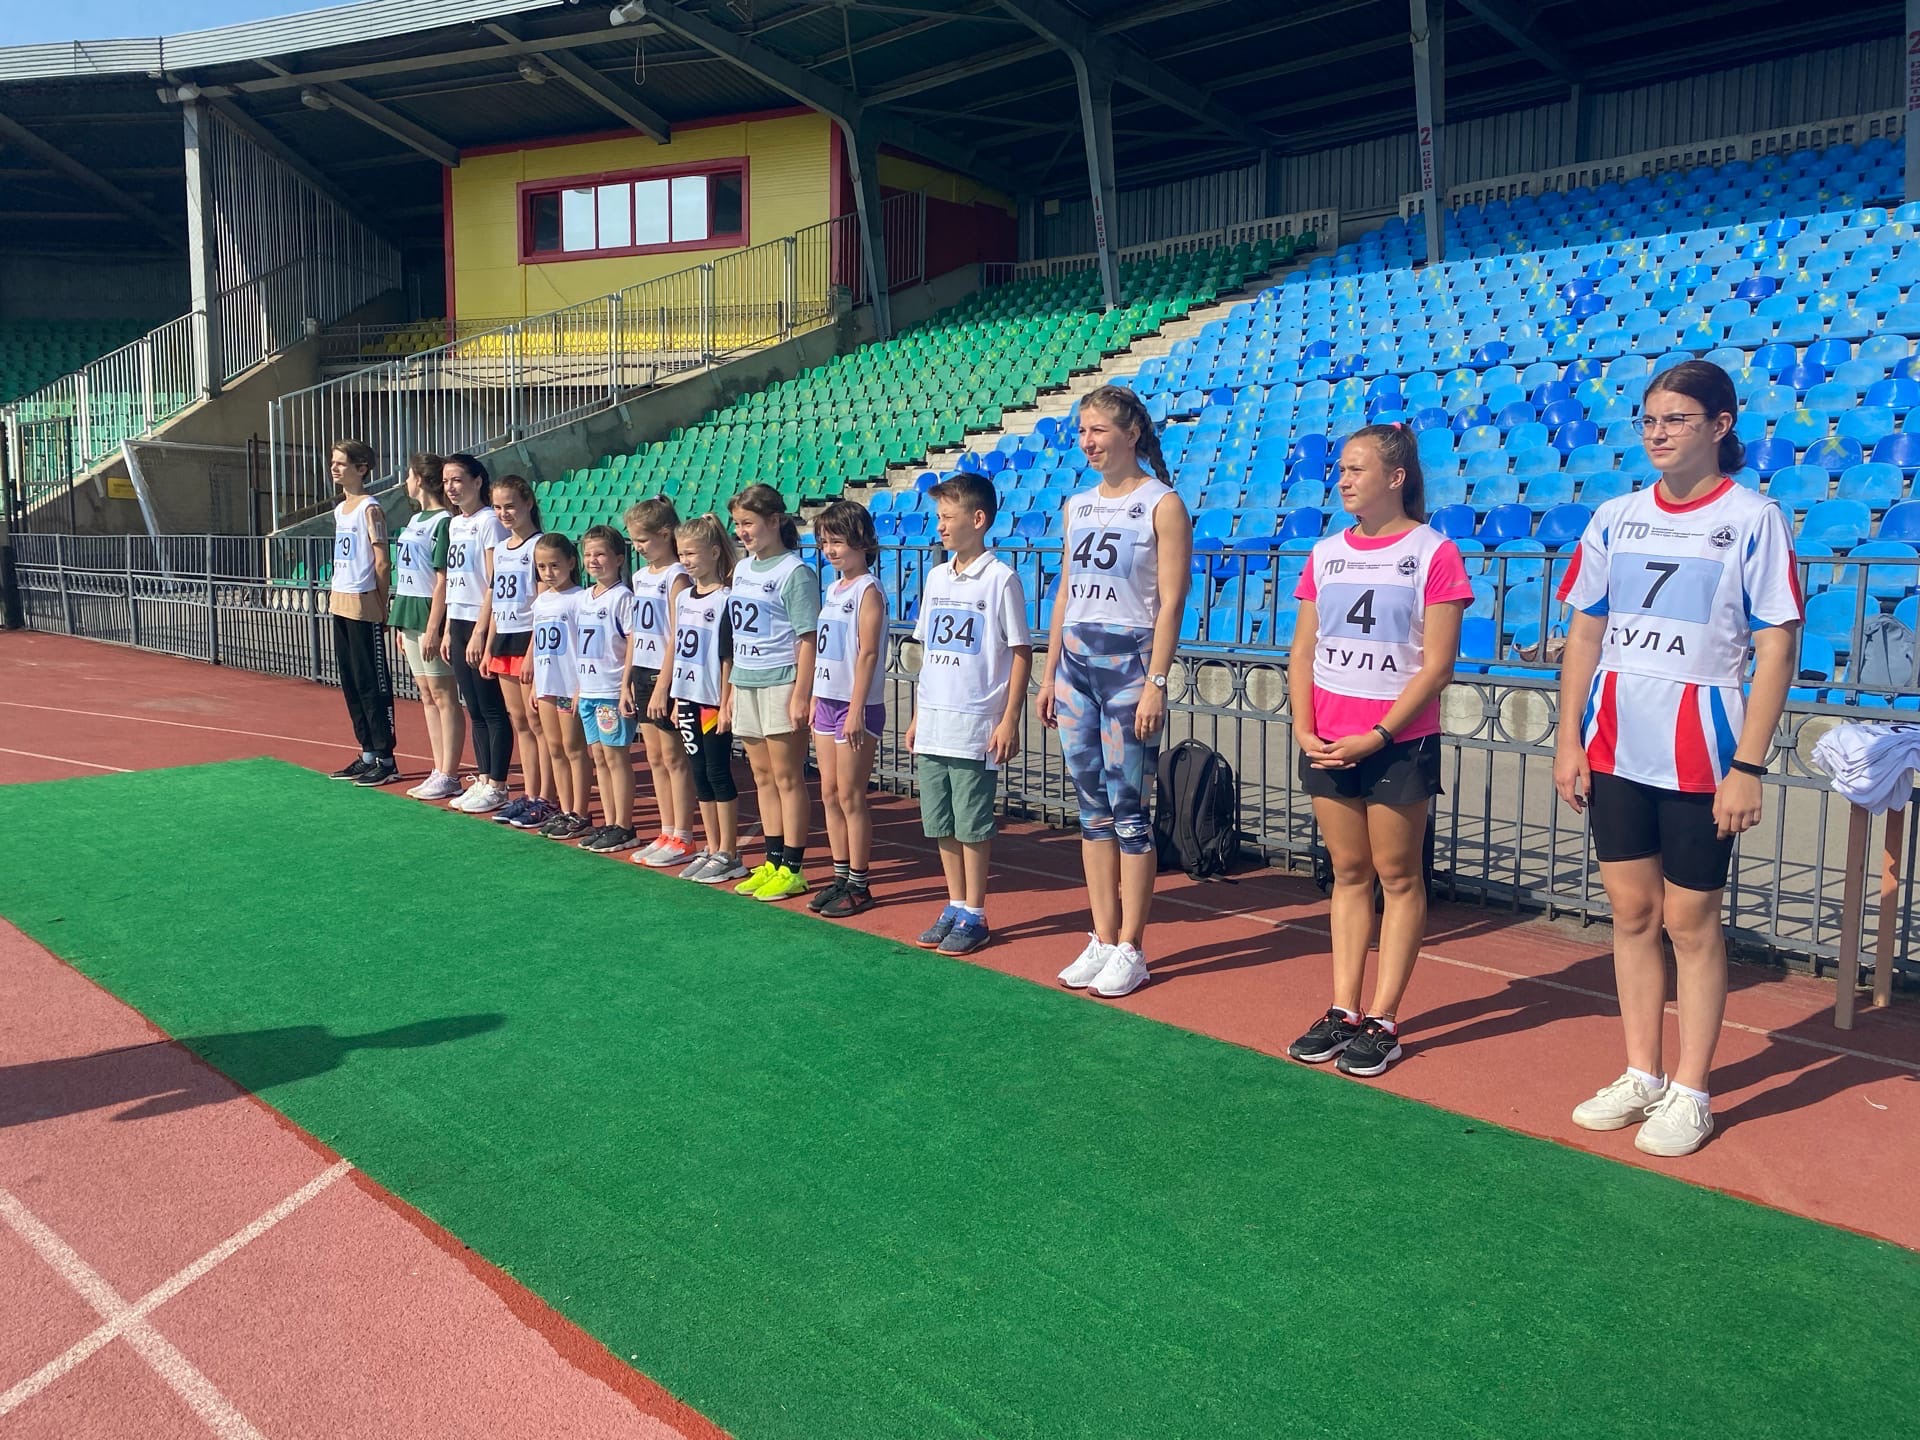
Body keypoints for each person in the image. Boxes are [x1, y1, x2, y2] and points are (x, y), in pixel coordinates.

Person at [1554, 359, 1802, 1157]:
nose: (1658, 434)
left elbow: (1777, 646)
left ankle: (1692, 1090)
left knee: (1691, 923)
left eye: (1677, 420)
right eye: (1650, 420)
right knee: (1631, 913)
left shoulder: (1755, 518)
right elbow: (1585, 633)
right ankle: (1642, 1072)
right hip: (1616, 745)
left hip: (1704, 752)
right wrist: (1568, 739)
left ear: (1721, 426)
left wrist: (1749, 765)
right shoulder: (1615, 516)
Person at [1285, 423, 1471, 1078]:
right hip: (1327, 738)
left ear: (1396, 478)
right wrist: (1304, 727)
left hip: (1397, 743)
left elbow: (1438, 665)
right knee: (1347, 872)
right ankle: (1344, 1008)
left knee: (1398, 875)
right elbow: (1303, 649)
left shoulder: (1433, 552)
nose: (1343, 479)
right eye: (1341, 469)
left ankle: (1385, 1019)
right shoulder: (1326, 552)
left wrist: (1381, 734)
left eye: (1356, 468)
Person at [1039, 385, 1192, 998]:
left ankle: (1132, 945)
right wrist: (1050, 671)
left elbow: (1172, 601)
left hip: (1130, 669)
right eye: (1082, 431)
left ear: (1131, 433)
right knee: (1091, 809)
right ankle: (1101, 937)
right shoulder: (1076, 505)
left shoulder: (1162, 504)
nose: (1088, 442)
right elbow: (1066, 591)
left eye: (1099, 429)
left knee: (1130, 809)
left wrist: (1157, 682)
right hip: (1075, 668)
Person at [907, 474, 1033, 956]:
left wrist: (1009, 718)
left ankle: (976, 913)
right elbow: (929, 652)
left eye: (947, 517)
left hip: (975, 724)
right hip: (934, 720)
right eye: (937, 517)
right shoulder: (937, 577)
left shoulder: (1001, 579)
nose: (939, 526)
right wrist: (918, 714)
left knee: (971, 823)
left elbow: (1020, 651)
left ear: (978, 520)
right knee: (940, 821)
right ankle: (955, 903)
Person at [726, 484, 820, 902]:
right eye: (737, 524)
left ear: (774, 521)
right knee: (762, 776)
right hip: (746, 680)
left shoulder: (794, 572)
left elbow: (808, 638)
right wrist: (732, 688)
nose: (742, 532)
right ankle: (772, 859)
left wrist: (801, 693)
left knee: (787, 777)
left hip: (780, 681)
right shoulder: (743, 569)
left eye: (748, 523)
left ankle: (793, 867)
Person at [807, 501, 889, 919]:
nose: (830, 550)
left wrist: (856, 709)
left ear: (861, 542)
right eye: (825, 542)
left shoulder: (867, 590)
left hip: (856, 705)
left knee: (851, 794)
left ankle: (859, 882)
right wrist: (815, 696)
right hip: (827, 701)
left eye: (837, 541)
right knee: (829, 792)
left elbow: (868, 653)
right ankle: (840, 876)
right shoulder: (833, 589)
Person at [669, 514, 747, 885]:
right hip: (687, 696)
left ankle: (729, 852)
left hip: (712, 700)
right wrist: (675, 697)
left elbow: (727, 656)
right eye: (682, 553)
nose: (686, 560)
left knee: (717, 771)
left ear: (714, 552)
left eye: (692, 553)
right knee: (698, 773)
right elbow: (679, 649)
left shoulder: (726, 598)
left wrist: (727, 700)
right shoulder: (683, 597)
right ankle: (712, 846)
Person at [623, 497, 700, 870]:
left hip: (663, 675)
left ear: (666, 533)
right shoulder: (640, 576)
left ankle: (684, 834)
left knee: (674, 757)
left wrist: (662, 685)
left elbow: (676, 634)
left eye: (643, 539)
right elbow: (637, 631)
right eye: (634, 540)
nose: (637, 547)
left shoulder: (676, 576)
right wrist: (627, 679)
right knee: (654, 756)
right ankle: (667, 830)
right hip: (642, 669)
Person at [441, 454, 512, 814]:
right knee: (474, 708)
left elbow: (493, 582)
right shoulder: (456, 524)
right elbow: (456, 581)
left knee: (491, 707)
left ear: (477, 481)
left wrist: (480, 631)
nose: (451, 488)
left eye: (457, 479)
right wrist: (448, 629)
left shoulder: (489, 522)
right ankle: (483, 777)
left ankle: (498, 783)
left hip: (479, 622)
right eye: (446, 481)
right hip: (458, 620)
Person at [391, 453, 464, 802]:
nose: (406, 482)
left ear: (419, 479)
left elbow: (442, 580)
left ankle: (450, 772)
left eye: (409, 475)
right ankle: (438, 768)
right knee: (426, 693)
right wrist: (399, 622)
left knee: (443, 694)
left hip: (428, 611)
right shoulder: (414, 518)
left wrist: (434, 627)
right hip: (409, 609)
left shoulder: (444, 522)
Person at [324, 440, 398, 787]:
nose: (335, 468)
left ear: (362, 468)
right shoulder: (341, 509)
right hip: (340, 597)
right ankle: (367, 751)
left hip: (362, 599)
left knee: (371, 682)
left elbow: (382, 561)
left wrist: (380, 605)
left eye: (342, 463)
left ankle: (386, 757)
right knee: (351, 680)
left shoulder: (370, 508)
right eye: (333, 462)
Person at [483, 475, 553, 830]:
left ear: (528, 502)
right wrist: (487, 646)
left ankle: (546, 798)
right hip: (504, 639)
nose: (503, 513)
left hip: (529, 638)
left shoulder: (539, 546)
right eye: (497, 507)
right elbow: (498, 602)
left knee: (538, 723)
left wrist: (533, 652)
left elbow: (544, 603)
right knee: (520, 722)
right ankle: (529, 793)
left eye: (510, 505)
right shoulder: (501, 549)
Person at [575, 525, 640, 853]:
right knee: (599, 757)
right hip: (589, 690)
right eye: (588, 554)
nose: (593, 560)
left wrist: (625, 684)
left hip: (610, 690)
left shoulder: (622, 597)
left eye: (600, 554)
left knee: (616, 758)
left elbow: (632, 642)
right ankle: (610, 821)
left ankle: (625, 825)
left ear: (618, 558)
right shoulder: (584, 597)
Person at [529, 532, 595, 844]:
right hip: (547, 683)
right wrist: (535, 685)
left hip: (570, 683)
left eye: (554, 565)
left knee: (573, 748)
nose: (548, 573)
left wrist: (581, 684)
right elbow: (539, 645)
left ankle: (580, 812)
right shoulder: (542, 601)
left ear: (571, 562)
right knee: (554, 747)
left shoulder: (579, 599)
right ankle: (565, 809)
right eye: (542, 567)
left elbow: (582, 645)